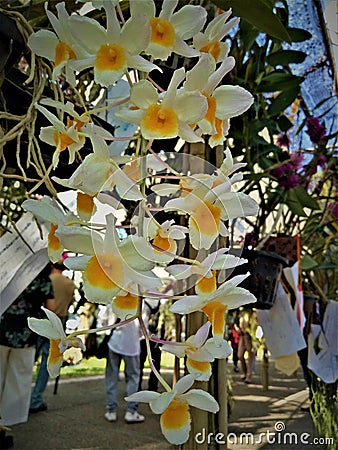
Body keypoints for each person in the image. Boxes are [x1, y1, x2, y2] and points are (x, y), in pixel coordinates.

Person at [0, 264, 54, 448]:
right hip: (26, 335)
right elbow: (50, 309)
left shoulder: (8, 270)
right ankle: (5, 424)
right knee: (17, 382)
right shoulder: (42, 280)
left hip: (1, 330)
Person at [29, 256, 76, 413]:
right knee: (46, 364)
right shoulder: (70, 285)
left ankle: (23, 397)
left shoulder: (45, 279)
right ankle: (36, 399)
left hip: (42, 323)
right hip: (60, 323)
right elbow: (70, 304)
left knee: (29, 360)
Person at [104, 318, 144, 424]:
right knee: (133, 377)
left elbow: (105, 318)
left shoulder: (114, 301)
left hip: (115, 342)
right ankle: (131, 411)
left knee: (111, 376)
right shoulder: (141, 303)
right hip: (132, 344)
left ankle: (111, 411)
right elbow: (143, 326)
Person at [139, 298, 162, 392]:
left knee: (140, 364)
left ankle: (137, 386)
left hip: (144, 338)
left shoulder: (143, 303)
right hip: (157, 339)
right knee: (156, 365)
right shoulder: (160, 302)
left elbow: (142, 321)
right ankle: (153, 387)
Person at [238, 312, 256, 384]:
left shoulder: (252, 314)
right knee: (240, 355)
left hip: (249, 336)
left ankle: (249, 376)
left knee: (250, 356)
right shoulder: (240, 313)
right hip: (242, 336)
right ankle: (245, 372)